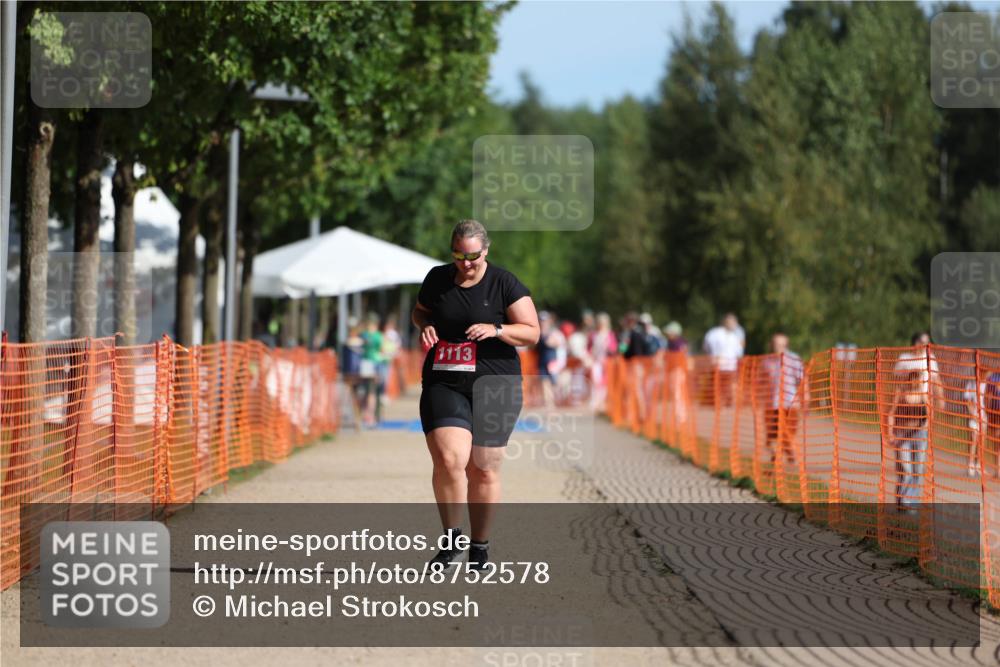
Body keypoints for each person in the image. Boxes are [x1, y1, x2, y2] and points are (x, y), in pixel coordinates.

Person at [411, 219, 539, 570]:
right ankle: (451, 541)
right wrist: (427, 326)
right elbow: (420, 311)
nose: (465, 263)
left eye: (472, 256)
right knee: (450, 461)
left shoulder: (503, 283)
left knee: (482, 469)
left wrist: (497, 329)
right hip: (444, 381)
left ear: (486, 249)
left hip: (496, 384)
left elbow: (532, 332)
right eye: (458, 255)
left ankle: (479, 547)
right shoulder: (437, 278)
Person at [888, 337, 941, 513]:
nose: (917, 381)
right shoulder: (900, 391)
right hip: (902, 435)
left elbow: (928, 413)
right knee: (906, 471)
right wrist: (891, 434)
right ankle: (903, 502)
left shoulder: (923, 394)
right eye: (914, 378)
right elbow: (891, 412)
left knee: (917, 470)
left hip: (919, 433)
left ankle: (909, 504)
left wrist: (934, 406)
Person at [759, 333, 805, 470]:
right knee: (772, 437)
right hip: (771, 404)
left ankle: (782, 459)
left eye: (780, 345)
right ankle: (785, 457)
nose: (777, 347)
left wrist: (805, 398)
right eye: (774, 344)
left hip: (789, 404)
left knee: (786, 433)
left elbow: (802, 380)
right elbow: (760, 382)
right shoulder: (766, 361)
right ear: (771, 345)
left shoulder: (794, 359)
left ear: (786, 346)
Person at [702, 313, 744, 407]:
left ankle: (730, 406)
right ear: (725, 322)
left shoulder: (735, 337)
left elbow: (738, 352)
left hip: (731, 367)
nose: (734, 324)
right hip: (718, 366)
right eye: (731, 322)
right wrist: (711, 357)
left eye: (734, 322)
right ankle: (718, 405)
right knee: (718, 388)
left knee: (731, 387)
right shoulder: (714, 333)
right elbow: (706, 346)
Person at [360, 312, 385, 427]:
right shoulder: (378, 336)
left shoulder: (364, 335)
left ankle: (368, 415)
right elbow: (382, 350)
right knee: (374, 392)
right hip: (376, 364)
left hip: (365, 364)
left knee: (367, 391)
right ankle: (373, 416)